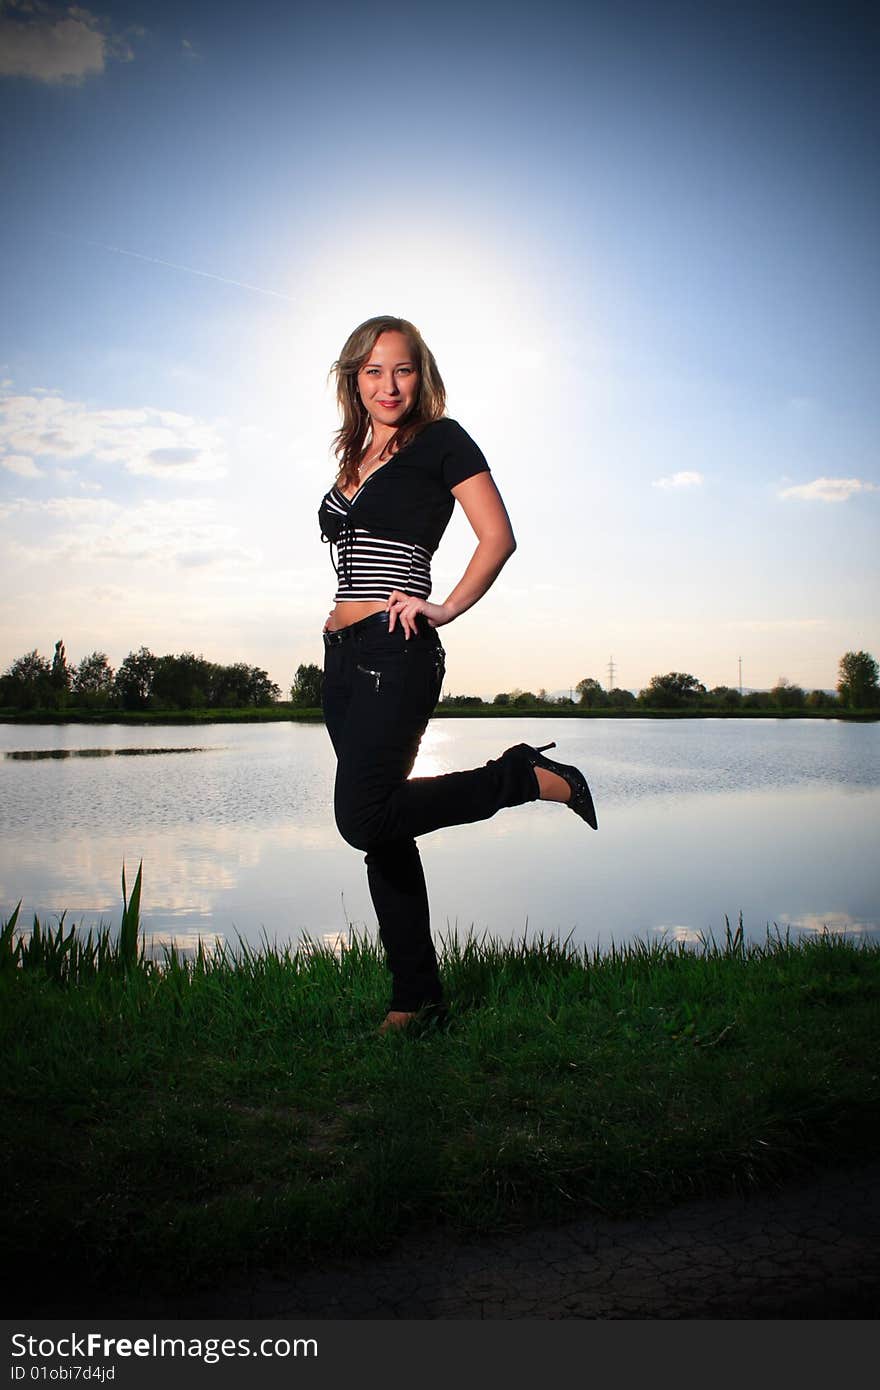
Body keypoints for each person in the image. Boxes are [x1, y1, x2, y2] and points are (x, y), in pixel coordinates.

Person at [318, 315, 597, 1034]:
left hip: (395, 649)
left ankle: (524, 778)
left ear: (422, 374)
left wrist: (442, 608)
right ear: (355, 378)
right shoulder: (355, 450)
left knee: (363, 818)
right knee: (384, 832)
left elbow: (497, 536)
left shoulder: (442, 440)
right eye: (373, 371)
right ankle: (416, 1001)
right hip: (343, 660)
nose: (388, 384)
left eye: (402, 369)